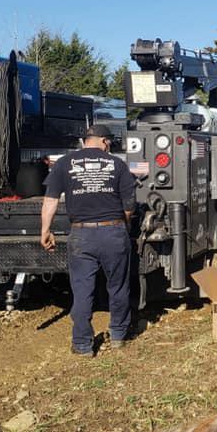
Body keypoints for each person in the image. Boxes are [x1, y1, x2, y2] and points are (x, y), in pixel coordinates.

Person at [40, 124, 137, 357]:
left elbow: (50, 201)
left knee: (82, 290)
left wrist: (45, 230)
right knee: (118, 286)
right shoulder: (117, 164)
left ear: (86, 141)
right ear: (104, 141)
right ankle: (118, 336)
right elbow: (129, 206)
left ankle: (83, 344)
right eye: (109, 143)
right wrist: (122, 225)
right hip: (113, 232)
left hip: (81, 234)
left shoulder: (64, 163)